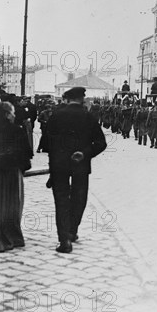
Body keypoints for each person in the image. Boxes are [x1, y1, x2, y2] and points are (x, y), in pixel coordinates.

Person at [47, 87, 107, 253]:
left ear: (67, 99)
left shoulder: (56, 116)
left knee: (61, 200)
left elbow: (47, 144)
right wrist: (85, 153)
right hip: (80, 164)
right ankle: (72, 230)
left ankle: (64, 239)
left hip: (59, 165)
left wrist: (54, 164)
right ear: (82, 99)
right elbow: (101, 143)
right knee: (79, 198)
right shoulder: (89, 117)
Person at [0, 101, 32, 253]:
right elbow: (25, 153)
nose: (14, 116)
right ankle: (11, 236)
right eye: (13, 113)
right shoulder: (16, 130)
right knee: (10, 205)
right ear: (8, 115)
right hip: (10, 173)